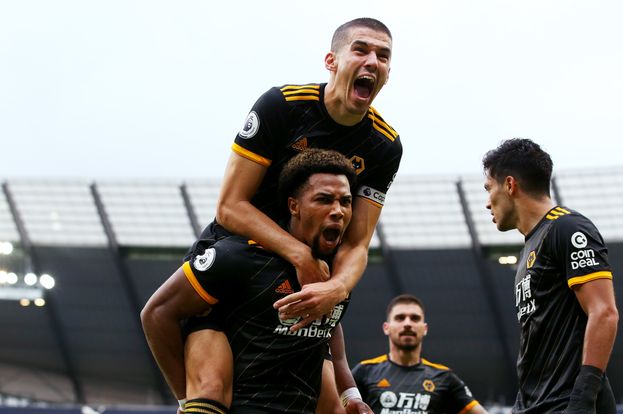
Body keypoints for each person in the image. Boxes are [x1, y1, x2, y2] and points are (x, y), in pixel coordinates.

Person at [143, 16, 402, 413]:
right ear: (331, 61)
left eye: (383, 56)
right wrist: (299, 255)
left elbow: (357, 244)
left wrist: (335, 288)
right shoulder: (283, 105)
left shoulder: (384, 146)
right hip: (237, 261)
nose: (373, 61)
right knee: (210, 394)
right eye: (361, 50)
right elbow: (230, 206)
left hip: (299, 280)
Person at [142, 149, 372, 413]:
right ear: (293, 206)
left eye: (345, 201)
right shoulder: (239, 256)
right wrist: (186, 399)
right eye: (324, 200)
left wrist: (351, 397)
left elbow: (330, 327)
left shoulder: (339, 274)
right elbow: (157, 313)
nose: (338, 211)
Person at [482, 138, 619, 413]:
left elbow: (604, 312)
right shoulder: (532, 244)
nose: (487, 203)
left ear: (510, 185)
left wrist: (582, 400)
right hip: (535, 404)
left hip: (565, 405)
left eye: (489, 189)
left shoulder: (568, 228)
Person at [351, 294, 488, 414]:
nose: (407, 323)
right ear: (386, 328)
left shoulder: (444, 377)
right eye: (400, 318)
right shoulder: (364, 371)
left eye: (415, 318)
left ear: (425, 328)